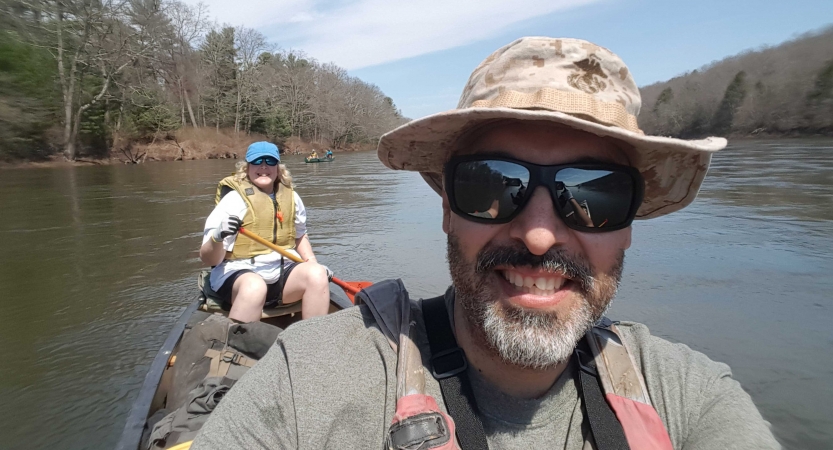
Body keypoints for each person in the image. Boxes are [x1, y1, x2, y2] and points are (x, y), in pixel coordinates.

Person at [193, 38, 780, 449]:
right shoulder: (305, 385)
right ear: (447, 207)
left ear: (629, 223)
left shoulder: (693, 398)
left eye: (594, 196)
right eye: (492, 186)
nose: (540, 233)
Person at [199, 141, 332, 323]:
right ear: (247, 168)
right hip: (238, 275)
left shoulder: (292, 197)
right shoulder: (233, 200)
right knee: (255, 286)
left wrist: (314, 263)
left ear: (278, 167)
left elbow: (300, 236)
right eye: (257, 161)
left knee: (317, 275)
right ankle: (236, 344)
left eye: (270, 161)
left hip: (282, 275)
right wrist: (217, 237)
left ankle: (312, 344)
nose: (263, 166)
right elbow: (209, 259)